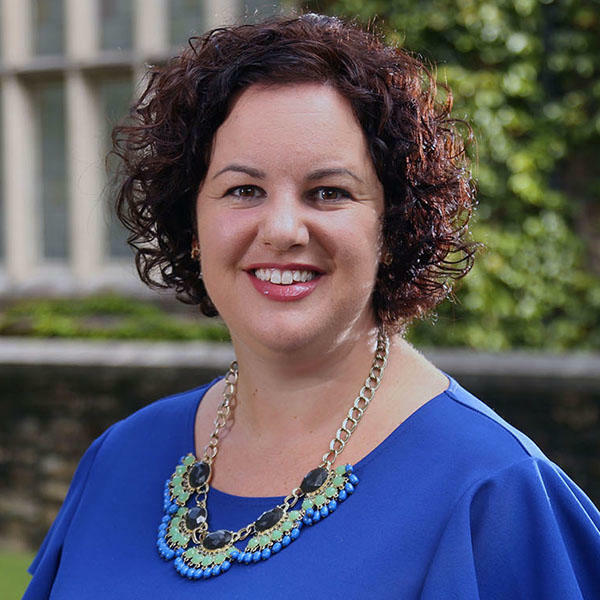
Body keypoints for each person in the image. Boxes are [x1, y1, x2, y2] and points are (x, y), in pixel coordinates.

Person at [25, 14, 600, 599]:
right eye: (243, 190)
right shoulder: (119, 458)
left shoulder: (491, 493)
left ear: (394, 225)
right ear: (191, 221)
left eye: (329, 192)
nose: (280, 230)